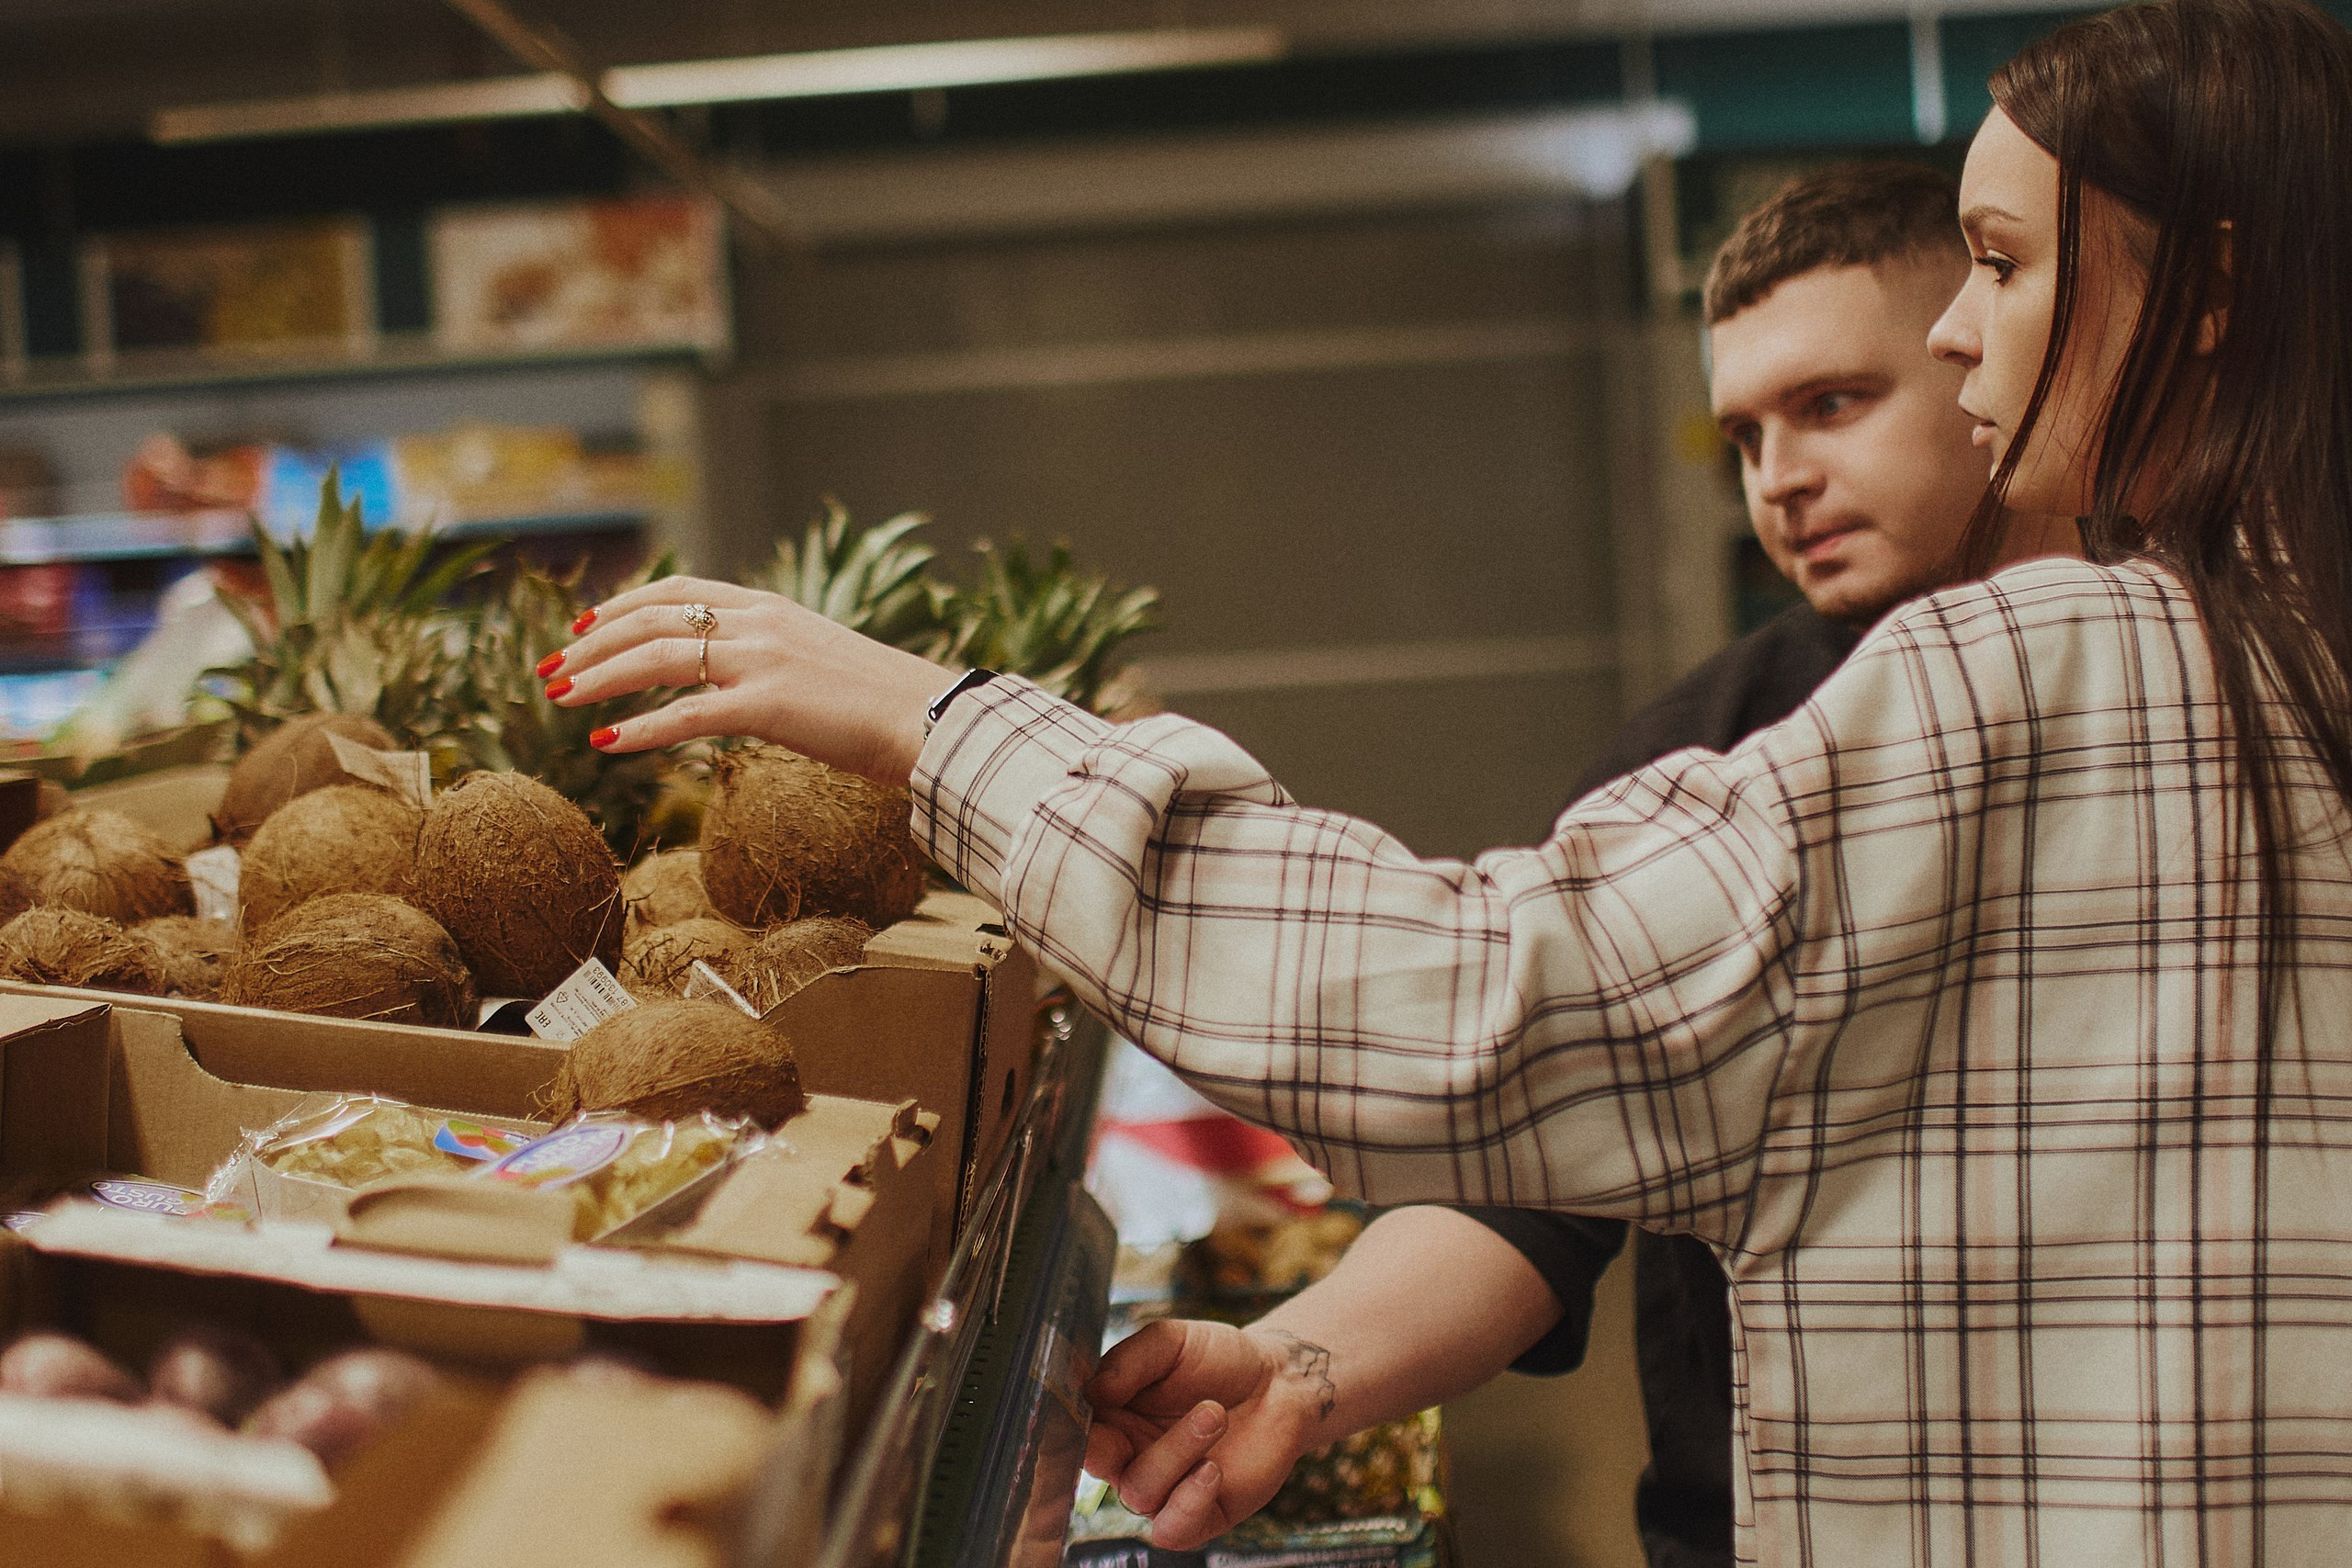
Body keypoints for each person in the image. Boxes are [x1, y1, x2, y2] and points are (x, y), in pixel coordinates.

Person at [545, 0, 2352, 1554]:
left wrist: (934, 723)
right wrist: (1314, 1363)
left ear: (2198, 297)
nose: (1965, 332)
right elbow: (1556, 1156)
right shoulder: (2262, 661)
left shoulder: (2054, 670)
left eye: (2006, 262)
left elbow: (1471, 1009)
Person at [1074, 160, 2073, 1568]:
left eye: (1834, 404)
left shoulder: (2203, 700)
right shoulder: (1701, 755)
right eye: (1743, 433)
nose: (1780, 478)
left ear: (1986, 367)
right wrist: (1295, 1367)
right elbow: (1527, 1194)